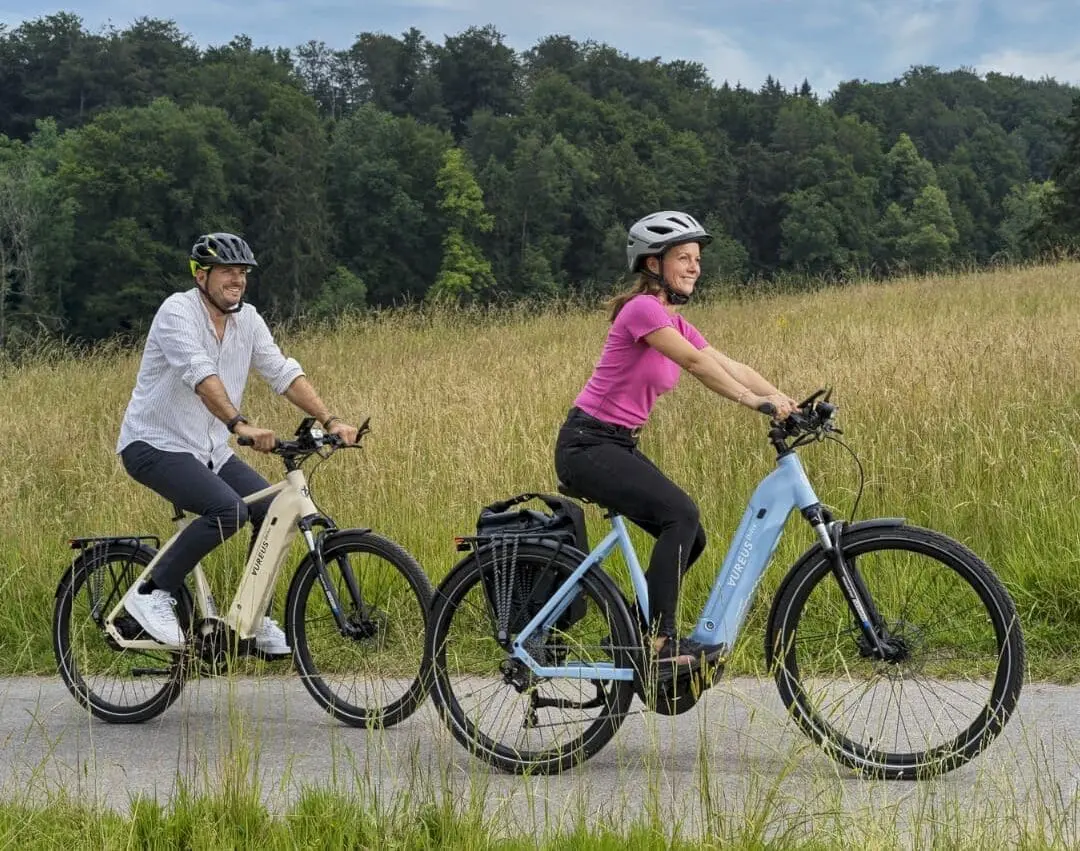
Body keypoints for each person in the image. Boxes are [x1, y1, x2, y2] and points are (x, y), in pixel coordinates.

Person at [554, 211, 798, 669]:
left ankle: (629, 633)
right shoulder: (642, 310)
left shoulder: (673, 321)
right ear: (652, 264)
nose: (694, 267)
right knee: (680, 515)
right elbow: (697, 366)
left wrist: (788, 401)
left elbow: (729, 364)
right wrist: (754, 403)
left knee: (693, 536)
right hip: (586, 446)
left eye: (697, 259)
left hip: (617, 444)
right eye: (683, 258)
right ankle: (659, 642)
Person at [116, 232, 360, 653]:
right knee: (228, 510)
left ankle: (250, 616)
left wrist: (330, 419)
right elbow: (201, 376)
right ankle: (150, 595)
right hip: (153, 444)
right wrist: (240, 423)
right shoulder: (177, 312)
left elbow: (282, 373)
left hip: (209, 450)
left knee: (271, 511)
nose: (238, 280)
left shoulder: (248, 320)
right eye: (228, 271)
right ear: (201, 275)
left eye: (243, 272)